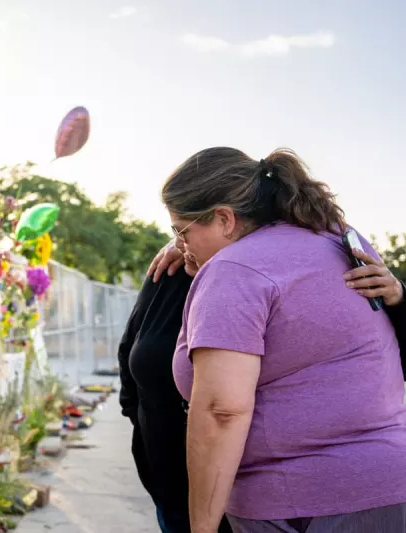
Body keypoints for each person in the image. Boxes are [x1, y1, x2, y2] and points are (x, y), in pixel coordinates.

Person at [157, 146, 406, 533]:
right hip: (389, 487)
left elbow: (223, 411)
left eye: (181, 230)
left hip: (300, 503)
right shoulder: (338, 239)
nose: (179, 243)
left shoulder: (234, 269)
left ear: (224, 218)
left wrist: (201, 528)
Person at [120, 239, 406, 533]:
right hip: (173, 486)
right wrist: (142, 423)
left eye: (186, 226)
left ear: (227, 218)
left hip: (270, 499)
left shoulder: (317, 260)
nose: (181, 239)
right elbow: (132, 356)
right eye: (177, 228)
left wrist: (398, 299)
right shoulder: (171, 272)